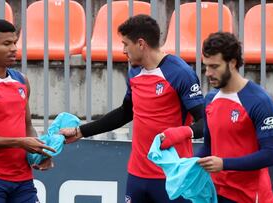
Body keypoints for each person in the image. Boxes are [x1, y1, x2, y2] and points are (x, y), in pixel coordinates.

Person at [60, 14, 205, 203]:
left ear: (141, 44)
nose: (123, 51)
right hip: (137, 175)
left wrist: (181, 133)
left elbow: (204, 122)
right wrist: (81, 131)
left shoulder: (180, 74)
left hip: (172, 176)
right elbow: (125, 113)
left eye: (126, 44)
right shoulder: (135, 72)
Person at [0, 19, 55, 203]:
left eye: (14, 42)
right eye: (6, 44)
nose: (13, 48)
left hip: (23, 179)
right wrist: (20, 143)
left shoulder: (21, 80)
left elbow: (27, 125)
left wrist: (38, 154)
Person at [196, 32, 273, 203]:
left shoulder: (259, 101)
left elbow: (270, 154)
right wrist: (188, 164)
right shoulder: (210, 99)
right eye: (206, 66)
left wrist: (224, 164)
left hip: (250, 197)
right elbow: (208, 147)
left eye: (214, 66)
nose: (208, 73)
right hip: (216, 194)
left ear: (232, 63)